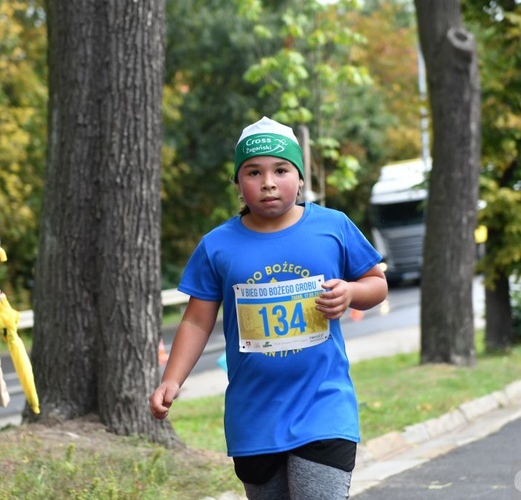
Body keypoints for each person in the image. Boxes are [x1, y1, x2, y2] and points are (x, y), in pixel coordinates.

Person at [149, 116, 388, 499]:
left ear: (300, 177)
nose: (268, 182)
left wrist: (351, 293)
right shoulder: (217, 245)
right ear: (238, 185)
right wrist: (172, 379)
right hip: (254, 417)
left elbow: (377, 283)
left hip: (323, 407)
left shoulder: (333, 227)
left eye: (281, 170)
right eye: (253, 172)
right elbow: (196, 321)